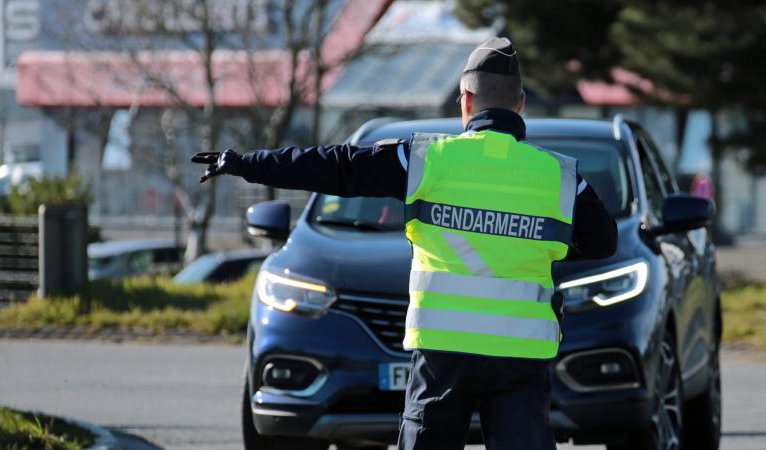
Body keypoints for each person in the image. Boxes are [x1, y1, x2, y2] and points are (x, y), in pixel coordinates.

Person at [192, 37, 617, 450]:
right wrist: (540, 243)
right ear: (521, 103)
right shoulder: (561, 177)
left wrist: (246, 163)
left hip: (443, 354)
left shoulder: (425, 160)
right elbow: (603, 242)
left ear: (465, 100)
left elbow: (337, 167)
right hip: (522, 355)